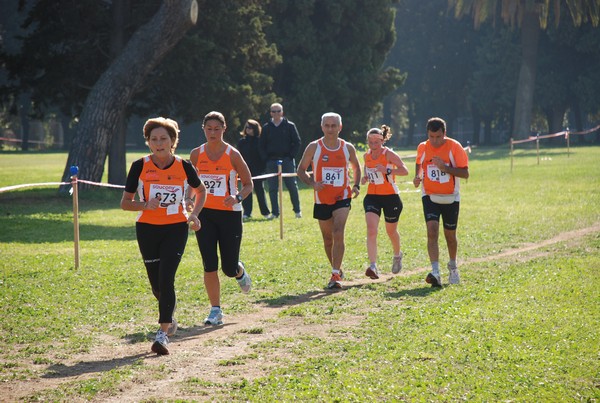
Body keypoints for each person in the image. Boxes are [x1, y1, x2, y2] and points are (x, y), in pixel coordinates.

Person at [120, 117, 206, 356]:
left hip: (176, 227)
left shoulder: (184, 166)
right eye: (154, 139)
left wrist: (194, 214)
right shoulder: (139, 166)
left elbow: (201, 191)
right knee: (157, 286)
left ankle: (162, 334)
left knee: (167, 278)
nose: (159, 143)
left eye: (164, 139)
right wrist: (146, 205)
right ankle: (169, 315)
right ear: (148, 142)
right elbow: (125, 203)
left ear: (173, 141)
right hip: (147, 229)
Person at [188, 111, 253, 326]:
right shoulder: (196, 154)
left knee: (228, 267)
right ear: (204, 129)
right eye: (209, 129)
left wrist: (236, 197)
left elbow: (248, 184)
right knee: (209, 264)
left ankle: (239, 270)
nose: (213, 133)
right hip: (204, 213)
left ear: (224, 129)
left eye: (217, 129)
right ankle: (215, 310)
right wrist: (189, 200)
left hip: (229, 215)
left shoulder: (232, 154)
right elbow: (190, 182)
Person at [297, 112, 361, 289]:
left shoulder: (347, 148)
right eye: (327, 125)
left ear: (340, 127)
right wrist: (312, 183)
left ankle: (334, 274)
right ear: (322, 127)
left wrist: (356, 185)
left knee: (338, 230)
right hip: (321, 198)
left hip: (342, 197)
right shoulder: (313, 147)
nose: (330, 129)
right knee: (327, 239)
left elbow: (356, 167)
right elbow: (301, 170)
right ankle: (337, 269)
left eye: (334, 126)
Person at [413, 117, 469, 287]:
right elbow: (419, 163)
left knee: (450, 235)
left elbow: (465, 174)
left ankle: (452, 266)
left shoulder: (454, 147)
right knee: (432, 230)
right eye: (431, 137)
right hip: (430, 195)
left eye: (438, 137)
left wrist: (445, 168)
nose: (435, 141)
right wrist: (418, 176)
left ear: (444, 133)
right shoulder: (423, 147)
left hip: (451, 197)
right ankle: (435, 272)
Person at [360, 125, 409, 280]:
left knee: (391, 232)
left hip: (390, 197)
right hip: (372, 197)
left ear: (382, 140)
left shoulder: (389, 154)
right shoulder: (366, 156)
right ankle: (373, 266)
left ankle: (397, 255)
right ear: (367, 141)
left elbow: (404, 170)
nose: (373, 143)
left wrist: (388, 170)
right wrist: (364, 177)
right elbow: (367, 172)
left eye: (377, 141)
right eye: (370, 141)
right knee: (371, 229)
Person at [259, 102, 302, 219]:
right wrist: (266, 159)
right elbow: (261, 145)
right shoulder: (266, 128)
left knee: (292, 186)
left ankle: (297, 211)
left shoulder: (290, 126)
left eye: (278, 111)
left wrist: (290, 156)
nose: (276, 113)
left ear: (282, 112)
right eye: (274, 111)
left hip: (287, 161)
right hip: (271, 162)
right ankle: (275, 213)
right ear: (270, 113)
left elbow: (297, 142)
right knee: (272, 188)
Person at [237, 119, 271, 220]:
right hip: (245, 170)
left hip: (258, 170)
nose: (248, 129)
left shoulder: (260, 141)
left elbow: (263, 156)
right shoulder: (242, 142)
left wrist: (264, 169)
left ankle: (265, 213)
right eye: (247, 127)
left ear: (255, 129)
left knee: (260, 191)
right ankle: (247, 213)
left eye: (250, 127)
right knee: (246, 191)